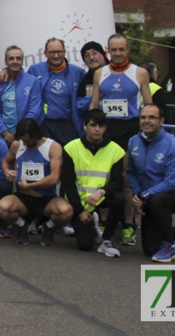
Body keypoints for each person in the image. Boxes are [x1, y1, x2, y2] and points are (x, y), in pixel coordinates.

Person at [89, 34, 152, 245]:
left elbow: (149, 106)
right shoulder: (100, 73)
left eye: (121, 50)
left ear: (127, 50)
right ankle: (106, 221)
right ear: (108, 51)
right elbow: (95, 104)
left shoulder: (140, 73)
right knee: (106, 176)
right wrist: (89, 128)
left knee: (126, 178)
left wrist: (148, 132)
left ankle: (128, 225)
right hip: (106, 130)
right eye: (113, 50)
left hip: (130, 129)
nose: (117, 54)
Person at [128, 104, 175, 263]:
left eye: (152, 117)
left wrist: (144, 195)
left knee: (157, 201)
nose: (146, 121)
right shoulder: (133, 141)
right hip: (147, 196)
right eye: (143, 117)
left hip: (174, 194)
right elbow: (131, 172)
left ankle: (169, 247)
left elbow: (172, 182)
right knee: (150, 249)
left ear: (161, 121)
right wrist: (137, 195)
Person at [0, 118, 72, 246]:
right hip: (23, 199)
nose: (24, 143)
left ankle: (48, 226)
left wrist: (31, 185)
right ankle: (22, 224)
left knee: (66, 211)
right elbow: (5, 162)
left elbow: (55, 178)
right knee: (2, 208)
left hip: (46, 198)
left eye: (28, 140)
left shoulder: (53, 147)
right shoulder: (17, 145)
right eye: (22, 140)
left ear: (36, 135)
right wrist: (7, 171)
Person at [60, 109, 126, 257]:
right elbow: (68, 183)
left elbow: (117, 182)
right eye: (93, 125)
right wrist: (80, 211)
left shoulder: (116, 150)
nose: (97, 129)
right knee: (84, 246)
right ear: (85, 126)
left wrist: (101, 191)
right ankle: (94, 228)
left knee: (120, 198)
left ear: (105, 128)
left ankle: (106, 238)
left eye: (101, 126)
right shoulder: (71, 148)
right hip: (79, 201)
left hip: (101, 197)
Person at [26, 37, 86, 145]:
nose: (56, 55)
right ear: (45, 53)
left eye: (59, 52)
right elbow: (20, 80)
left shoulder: (78, 72)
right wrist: (6, 71)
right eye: (52, 52)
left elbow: (85, 95)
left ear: (65, 52)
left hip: (69, 125)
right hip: (45, 124)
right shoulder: (35, 70)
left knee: (68, 159)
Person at [0, 46, 43, 144]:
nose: (15, 61)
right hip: (3, 136)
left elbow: (34, 112)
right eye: (11, 58)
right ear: (6, 62)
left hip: (25, 137)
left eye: (18, 58)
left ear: (22, 61)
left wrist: (17, 134)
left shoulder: (33, 81)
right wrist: (6, 133)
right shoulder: (0, 82)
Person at [76, 41, 107, 122]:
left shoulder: (116, 73)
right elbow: (80, 106)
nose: (91, 58)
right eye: (87, 55)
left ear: (104, 55)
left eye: (94, 53)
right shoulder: (85, 79)